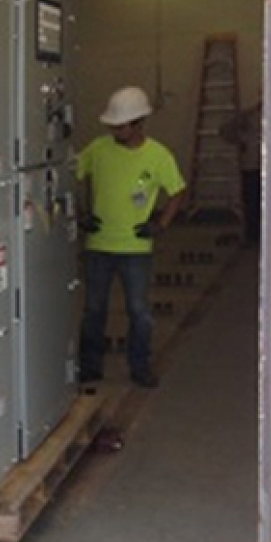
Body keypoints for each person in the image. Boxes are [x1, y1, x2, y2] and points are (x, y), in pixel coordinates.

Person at [76, 85, 187, 389]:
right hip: (99, 245)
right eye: (112, 125)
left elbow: (177, 192)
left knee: (139, 311)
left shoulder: (158, 156)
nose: (115, 130)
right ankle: (90, 367)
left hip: (136, 248)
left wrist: (160, 224)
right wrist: (80, 213)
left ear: (139, 123)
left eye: (120, 125)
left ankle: (140, 366)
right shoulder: (98, 150)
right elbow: (67, 174)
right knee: (93, 310)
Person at [220, 100, 262, 246]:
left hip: (270, 166)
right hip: (252, 165)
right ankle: (253, 235)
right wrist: (241, 141)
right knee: (252, 202)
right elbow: (225, 130)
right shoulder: (249, 116)